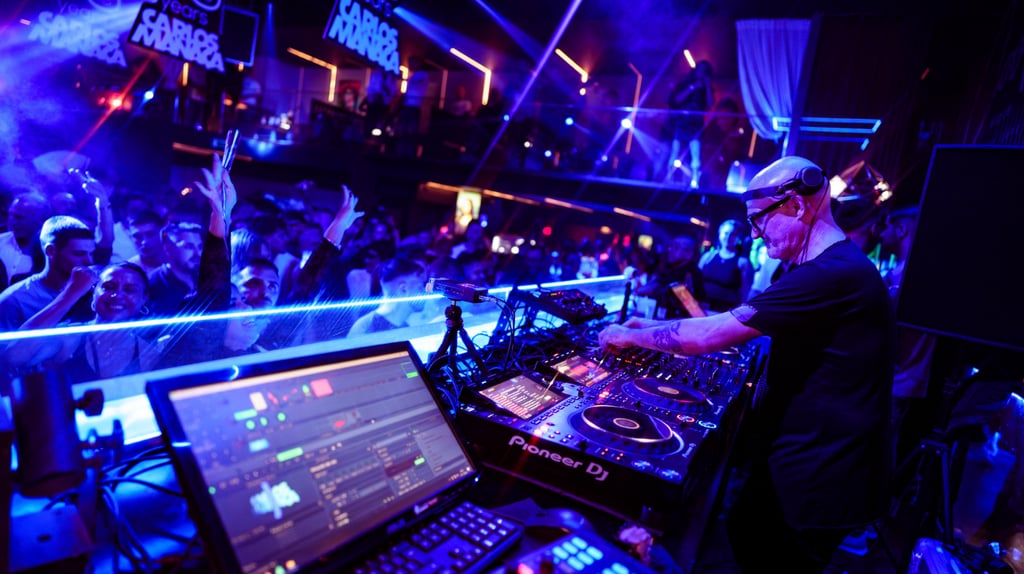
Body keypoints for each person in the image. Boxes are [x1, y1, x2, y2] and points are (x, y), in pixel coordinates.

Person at [598, 156, 894, 573]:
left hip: (820, 472)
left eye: (759, 219)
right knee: (743, 529)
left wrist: (628, 336)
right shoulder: (835, 268)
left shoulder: (830, 275)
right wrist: (650, 325)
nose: (754, 233)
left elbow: (707, 336)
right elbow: (732, 321)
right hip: (815, 458)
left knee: (763, 551)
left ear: (796, 205)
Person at [347, 257, 427, 337]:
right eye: (420, 288)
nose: (425, 292)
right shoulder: (365, 330)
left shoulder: (405, 329)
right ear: (403, 289)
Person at [665, 60, 712, 187]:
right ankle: (669, 178)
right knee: (675, 150)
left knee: (695, 151)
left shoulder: (706, 88)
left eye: (705, 71)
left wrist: (707, 86)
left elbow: (710, 104)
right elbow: (677, 100)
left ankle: (694, 180)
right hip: (682, 121)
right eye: (700, 70)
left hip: (696, 123)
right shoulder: (685, 83)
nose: (702, 73)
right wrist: (692, 88)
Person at [698, 219, 753, 311]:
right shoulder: (708, 257)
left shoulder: (743, 262)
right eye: (726, 233)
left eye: (733, 234)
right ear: (720, 234)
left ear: (739, 237)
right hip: (701, 307)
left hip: (725, 311)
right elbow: (695, 281)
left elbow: (745, 292)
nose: (728, 237)